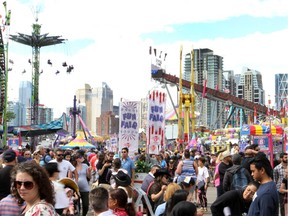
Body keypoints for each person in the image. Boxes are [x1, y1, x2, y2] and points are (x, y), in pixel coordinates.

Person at [74, 150, 91, 216]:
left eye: (82, 156)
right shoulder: (73, 166)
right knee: (77, 205)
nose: (82, 158)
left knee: (86, 205)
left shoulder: (85, 165)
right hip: (76, 188)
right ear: (76, 159)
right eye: (80, 157)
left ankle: (84, 215)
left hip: (85, 187)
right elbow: (70, 177)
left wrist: (89, 172)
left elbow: (89, 177)